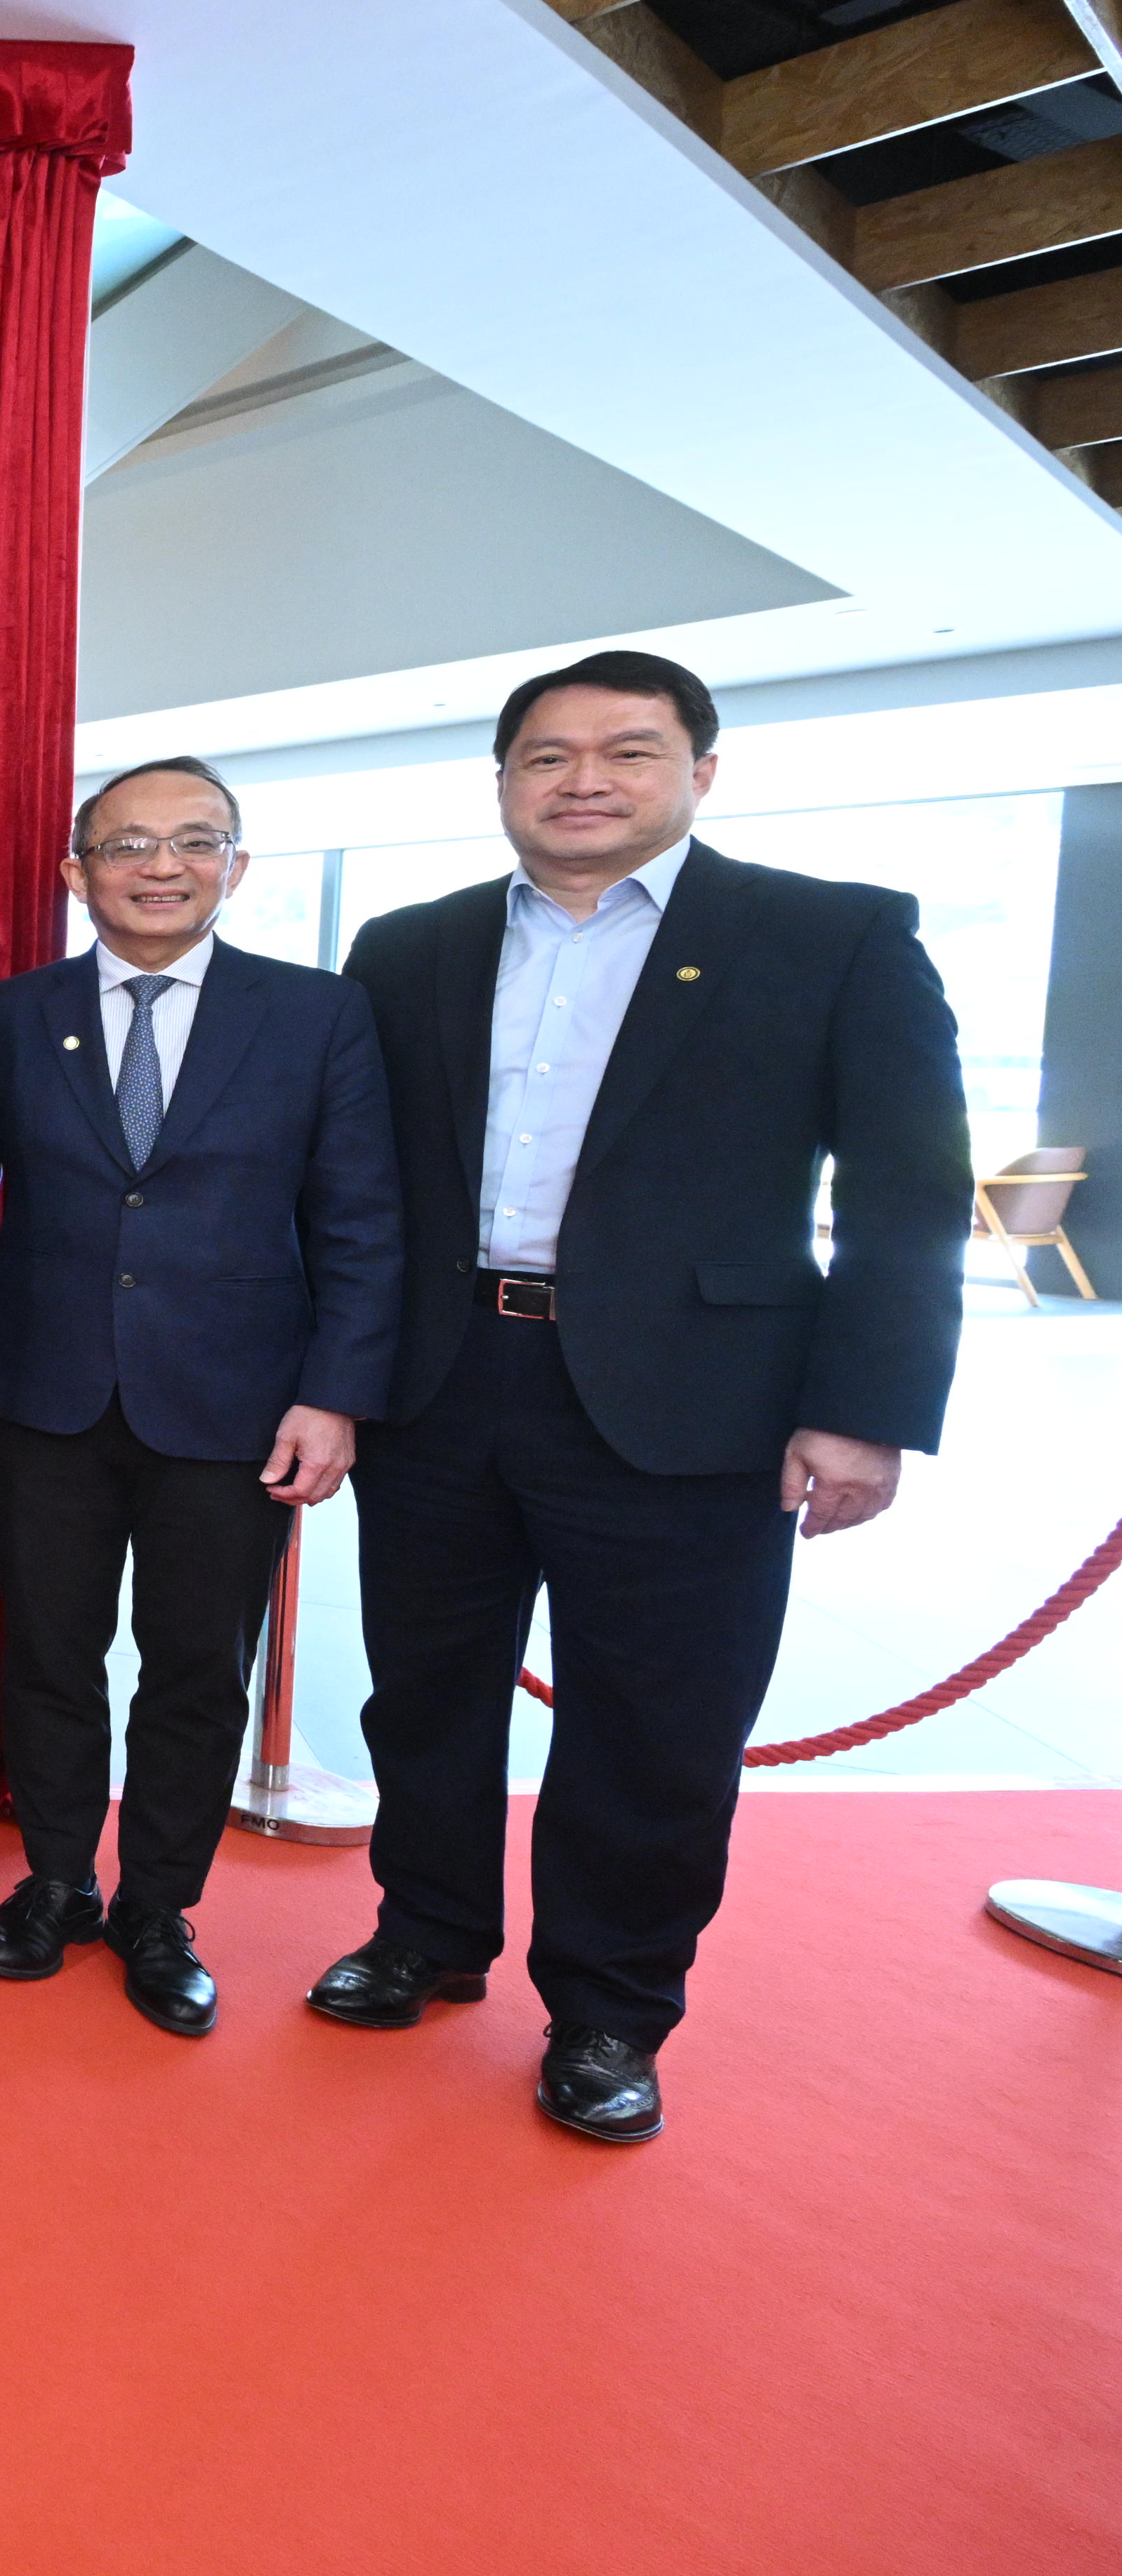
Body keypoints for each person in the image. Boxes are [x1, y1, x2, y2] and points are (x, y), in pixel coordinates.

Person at [313, 651, 965, 2142]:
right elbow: (354, 1187)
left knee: (654, 1722)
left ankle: (611, 2009)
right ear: (503, 783)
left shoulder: (831, 937)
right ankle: (425, 1932)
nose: (583, 780)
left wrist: (865, 1405)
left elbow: (908, 1193)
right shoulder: (409, 949)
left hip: (695, 1396)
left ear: (702, 772)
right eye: (545, 756)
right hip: (442, 1376)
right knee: (425, 1687)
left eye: (626, 751)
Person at [0, 759, 401, 2033]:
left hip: (237, 1404)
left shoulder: (315, 1016)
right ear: (75, 871)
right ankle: (51, 1884)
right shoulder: (11, 1015)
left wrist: (334, 1396)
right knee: (48, 1654)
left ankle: (158, 1904)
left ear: (236, 867)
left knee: (198, 1666)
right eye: (127, 843)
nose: (160, 866)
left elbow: (360, 1221)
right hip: (43, 1395)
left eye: (194, 841)